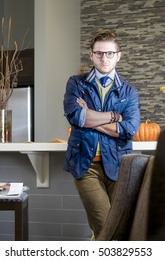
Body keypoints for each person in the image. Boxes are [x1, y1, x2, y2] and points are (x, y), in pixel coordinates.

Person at [63, 29, 140, 240]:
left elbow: (130, 129)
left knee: (117, 228)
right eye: (99, 53)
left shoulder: (129, 91)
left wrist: (91, 118)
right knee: (107, 227)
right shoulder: (76, 83)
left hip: (118, 165)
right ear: (91, 55)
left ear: (118, 55)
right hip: (85, 164)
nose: (103, 58)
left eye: (109, 53)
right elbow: (76, 117)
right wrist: (115, 116)